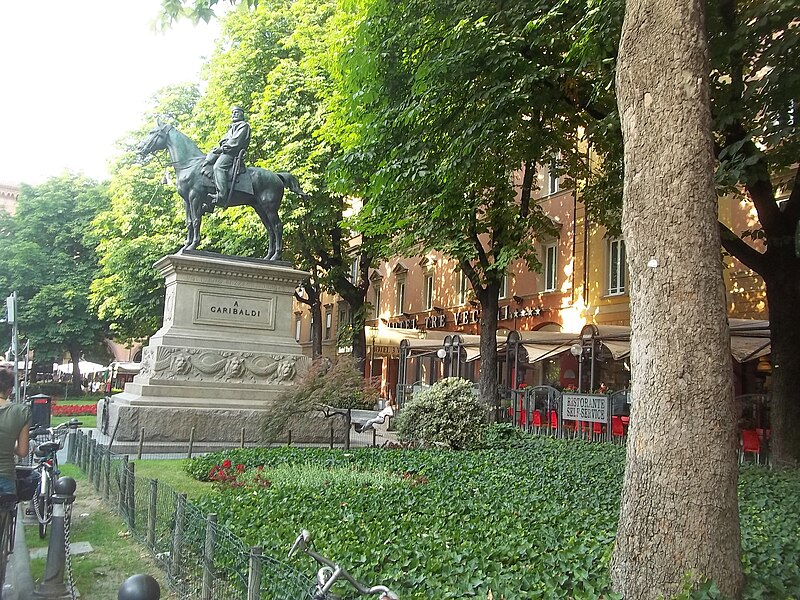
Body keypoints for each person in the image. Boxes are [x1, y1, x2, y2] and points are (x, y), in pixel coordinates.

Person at [202, 105, 251, 209]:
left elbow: (235, 142)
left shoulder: (244, 126)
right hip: (225, 151)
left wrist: (222, 148)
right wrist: (217, 149)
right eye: (233, 113)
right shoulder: (231, 128)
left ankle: (221, 195)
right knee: (207, 162)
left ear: (242, 115)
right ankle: (208, 200)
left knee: (218, 167)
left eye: (236, 112)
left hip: (233, 154)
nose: (234, 114)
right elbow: (224, 140)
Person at [0, 365, 30, 495]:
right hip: (6, 477)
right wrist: (9, 443)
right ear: (10, 390)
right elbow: (23, 451)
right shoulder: (22, 412)